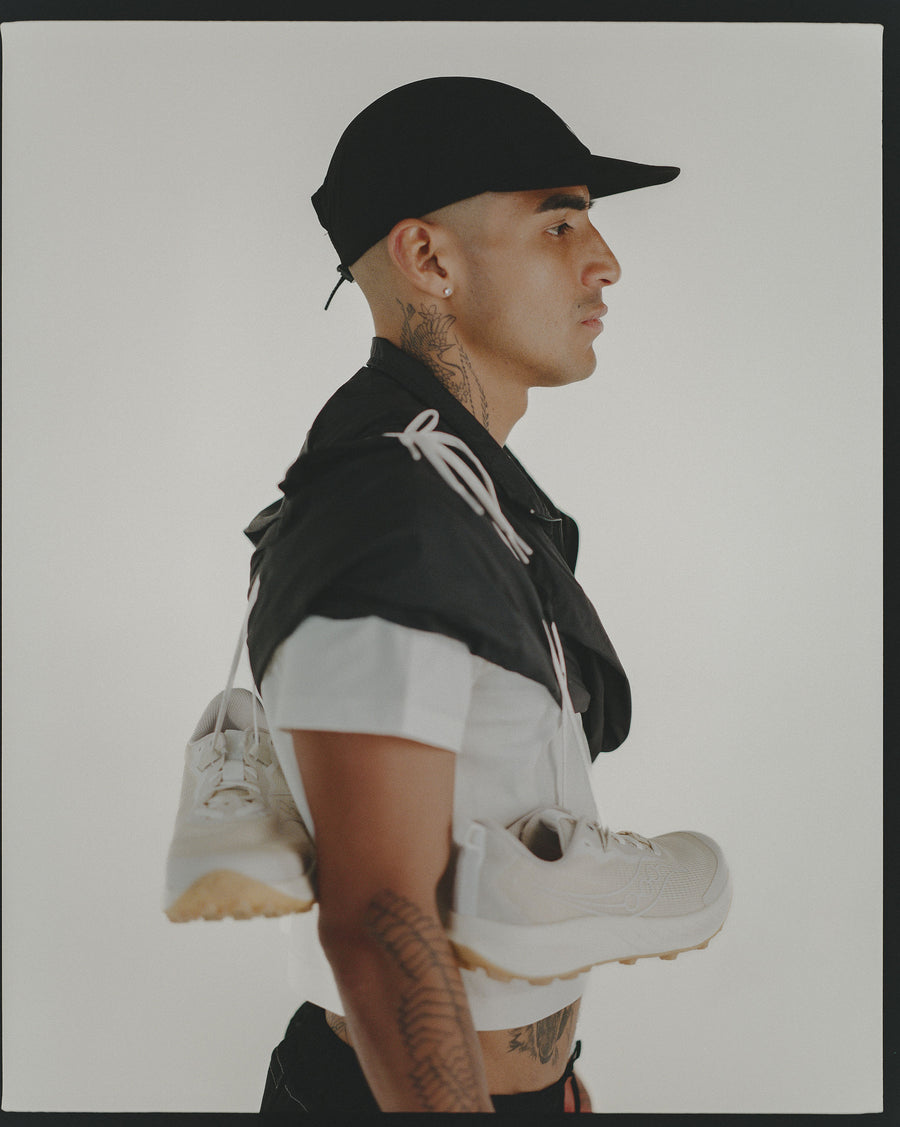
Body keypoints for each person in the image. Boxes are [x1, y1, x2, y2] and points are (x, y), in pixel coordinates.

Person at [172, 76, 730, 1115]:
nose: (604, 261)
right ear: (429, 259)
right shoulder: (391, 515)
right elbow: (379, 915)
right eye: (560, 223)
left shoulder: (457, 496)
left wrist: (549, 1076)